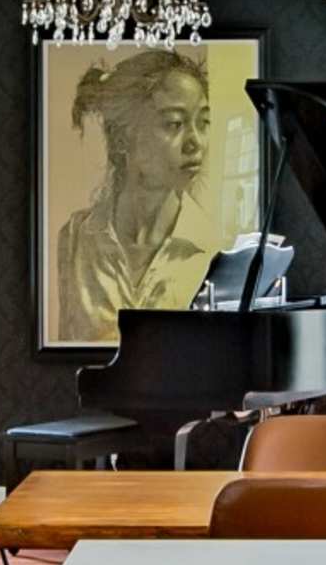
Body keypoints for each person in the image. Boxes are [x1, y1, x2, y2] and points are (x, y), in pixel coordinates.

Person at [53, 48, 221, 343]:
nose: (196, 143)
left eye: (203, 122)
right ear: (121, 138)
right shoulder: (75, 240)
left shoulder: (214, 251)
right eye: (174, 124)